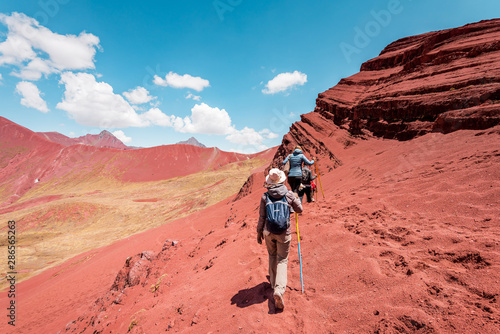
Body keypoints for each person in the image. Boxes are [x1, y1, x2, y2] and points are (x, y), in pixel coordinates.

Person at [257, 168, 302, 310]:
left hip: (268, 232)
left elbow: (262, 217)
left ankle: (273, 283)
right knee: (282, 259)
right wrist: (295, 198)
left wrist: (259, 232)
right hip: (284, 232)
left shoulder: (265, 196)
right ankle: (279, 289)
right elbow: (300, 209)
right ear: (282, 180)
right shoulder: (288, 194)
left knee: (272, 255)